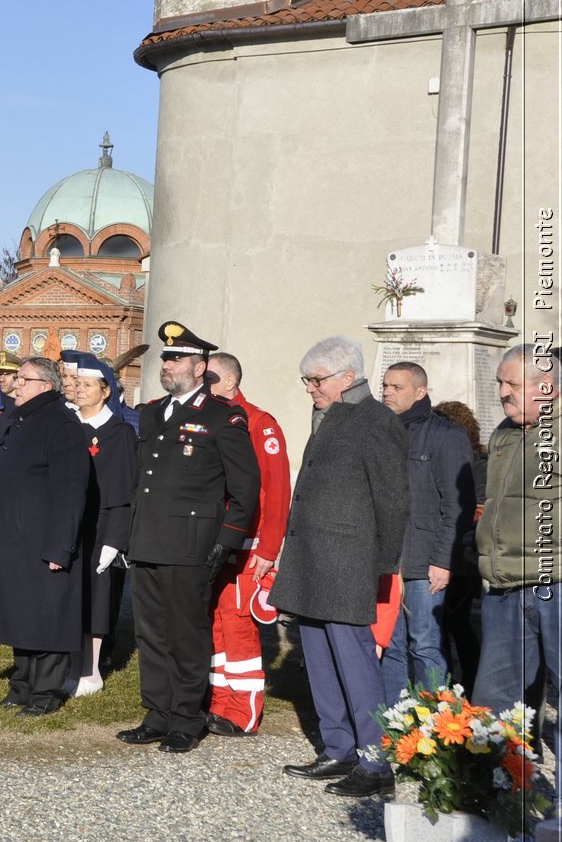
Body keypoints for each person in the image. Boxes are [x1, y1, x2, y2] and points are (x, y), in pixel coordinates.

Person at [273, 335, 408, 798]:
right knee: (319, 658)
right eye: (306, 379)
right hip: (313, 560)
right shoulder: (329, 415)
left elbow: (392, 499)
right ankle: (339, 748)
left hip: (349, 563)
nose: (309, 387)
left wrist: (383, 565)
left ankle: (376, 761)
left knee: (355, 664)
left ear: (348, 377)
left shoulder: (375, 420)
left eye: (316, 379)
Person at [118, 321, 259, 755]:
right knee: (152, 634)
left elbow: (246, 489)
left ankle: (186, 719)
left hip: (190, 546)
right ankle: (157, 713)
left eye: (177, 358)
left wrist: (226, 542)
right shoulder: (151, 412)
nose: (168, 364)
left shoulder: (223, 416)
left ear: (200, 367)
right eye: (165, 358)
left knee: (186, 635)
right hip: (146, 542)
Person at [0, 357, 90, 715]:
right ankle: (20, 687)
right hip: (15, 541)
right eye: (16, 378)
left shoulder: (61, 425)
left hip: (44, 542)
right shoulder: (22, 420)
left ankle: (45, 695)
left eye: (24, 379)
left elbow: (71, 491)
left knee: (47, 620)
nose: (15, 384)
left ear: (46, 386)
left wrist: (60, 547)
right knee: (20, 617)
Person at [473, 345, 559, 760]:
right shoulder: (504, 433)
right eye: (499, 383)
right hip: (505, 585)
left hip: (555, 583)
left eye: (512, 383)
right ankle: (496, 802)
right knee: (493, 702)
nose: (502, 392)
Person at [200, 351, 290, 736]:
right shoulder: (206, 418)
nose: (204, 386)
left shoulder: (258, 423)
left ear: (232, 382)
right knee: (216, 627)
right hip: (215, 543)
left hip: (249, 546)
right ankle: (220, 702)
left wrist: (268, 551)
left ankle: (243, 711)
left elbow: (277, 490)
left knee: (238, 628)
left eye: (212, 379)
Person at [377, 360, 475, 700]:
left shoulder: (447, 437)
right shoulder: (381, 431)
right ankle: (393, 723)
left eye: (396, 387)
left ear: (420, 392)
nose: (388, 392)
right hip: (386, 559)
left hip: (424, 561)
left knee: (425, 644)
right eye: (385, 386)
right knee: (389, 643)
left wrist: (444, 561)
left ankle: (433, 727)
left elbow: (458, 505)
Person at [64, 354, 137, 698]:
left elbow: (124, 492)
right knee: (68, 596)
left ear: (106, 391)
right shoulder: (67, 427)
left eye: (87, 385)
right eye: (77, 384)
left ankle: (91, 671)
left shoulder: (119, 433)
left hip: (101, 525)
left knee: (95, 599)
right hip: (68, 524)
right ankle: (67, 664)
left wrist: (115, 540)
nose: (79, 390)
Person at [432, 399, 487, 683]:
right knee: (449, 622)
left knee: (455, 621)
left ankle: (467, 682)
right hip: (451, 550)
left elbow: (478, 509)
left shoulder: (477, 465)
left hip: (464, 556)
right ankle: (453, 682)